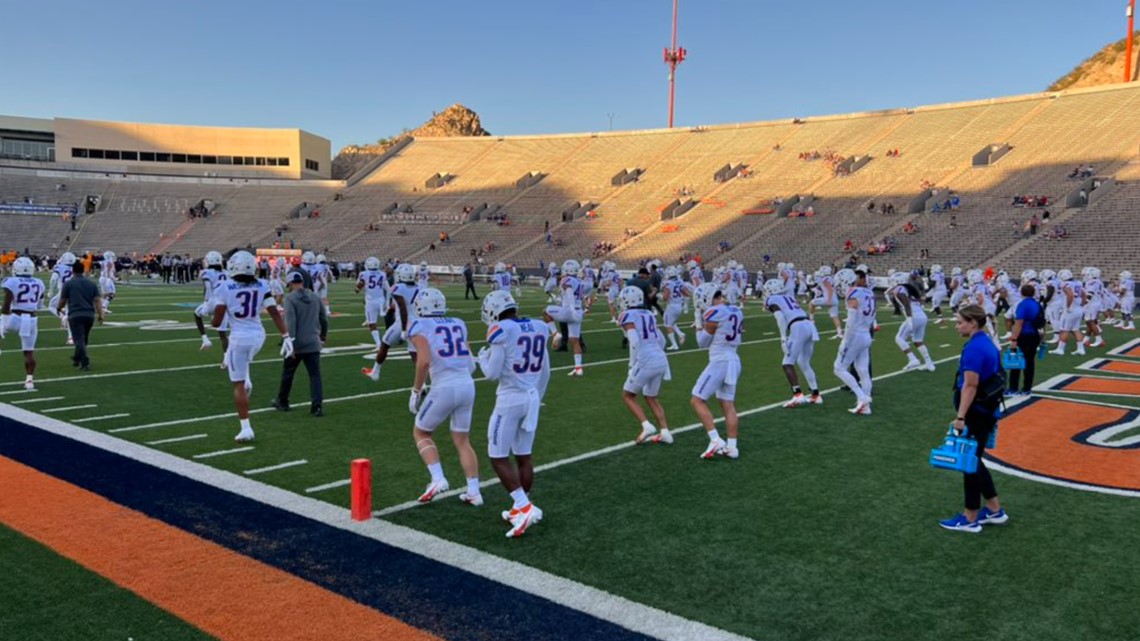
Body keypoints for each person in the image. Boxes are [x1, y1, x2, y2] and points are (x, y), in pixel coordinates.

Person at [477, 290, 550, 537]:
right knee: (523, 455)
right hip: (531, 397)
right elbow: (546, 371)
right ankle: (519, 509)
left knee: (497, 456)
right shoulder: (539, 326)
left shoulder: (502, 330)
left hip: (509, 398)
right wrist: (538, 396)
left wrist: (481, 359)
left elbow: (492, 373)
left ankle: (524, 506)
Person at [405, 288, 481, 506]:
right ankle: (474, 491)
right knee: (462, 440)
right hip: (467, 384)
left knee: (421, 432)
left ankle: (438, 478)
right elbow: (470, 362)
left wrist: (416, 390)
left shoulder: (419, 325)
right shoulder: (458, 322)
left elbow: (424, 361)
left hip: (444, 386)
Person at [940, 304, 1008, 533]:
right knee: (975, 460)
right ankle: (994, 508)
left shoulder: (976, 348)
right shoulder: (986, 342)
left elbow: (970, 385)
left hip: (977, 412)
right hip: (986, 410)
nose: (957, 326)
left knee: (969, 462)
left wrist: (960, 417)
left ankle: (970, 517)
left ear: (972, 323)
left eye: (960, 322)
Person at [212, 251, 291, 443]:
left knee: (237, 384)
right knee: (243, 361)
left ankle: (245, 427)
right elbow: (274, 312)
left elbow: (216, 322)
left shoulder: (224, 287)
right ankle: (246, 377)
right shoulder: (262, 285)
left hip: (239, 338)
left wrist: (210, 310)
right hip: (258, 336)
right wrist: (286, 335)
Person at [690, 283, 743, 459]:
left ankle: (715, 439)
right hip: (734, 359)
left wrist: (698, 321)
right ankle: (732, 447)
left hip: (720, 360)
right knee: (728, 404)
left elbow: (702, 342)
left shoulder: (713, 313)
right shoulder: (735, 310)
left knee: (697, 400)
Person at [617, 286, 674, 445]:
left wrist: (632, 364)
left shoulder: (627, 315)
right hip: (660, 358)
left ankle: (646, 425)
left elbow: (634, 342)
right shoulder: (649, 313)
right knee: (651, 397)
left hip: (645, 359)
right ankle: (665, 432)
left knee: (628, 396)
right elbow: (661, 340)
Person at [274, 271, 328, 416]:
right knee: (315, 375)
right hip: (313, 342)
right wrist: (323, 334)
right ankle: (317, 407)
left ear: (291, 283)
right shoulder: (315, 297)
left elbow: (291, 323)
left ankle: (283, 401)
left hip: (296, 343)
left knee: (288, 373)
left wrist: (290, 343)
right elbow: (323, 318)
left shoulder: (290, 299)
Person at [762, 279, 822, 408]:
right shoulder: (788, 297)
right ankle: (816, 395)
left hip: (797, 326)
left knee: (787, 363)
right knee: (804, 362)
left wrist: (783, 338)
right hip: (808, 325)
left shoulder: (772, 299)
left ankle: (797, 394)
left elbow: (780, 318)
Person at [363, 263, 419, 381]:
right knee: (414, 354)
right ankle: (422, 384)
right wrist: (392, 307)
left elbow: (403, 308)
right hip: (417, 324)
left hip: (403, 323)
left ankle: (375, 372)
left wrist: (403, 329)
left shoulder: (398, 287)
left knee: (384, 345)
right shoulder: (419, 287)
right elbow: (404, 304)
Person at [833, 269, 875, 415]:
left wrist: (846, 338)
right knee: (863, 371)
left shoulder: (853, 293)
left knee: (839, 368)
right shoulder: (868, 292)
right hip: (866, 334)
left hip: (855, 334)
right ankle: (866, 407)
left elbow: (851, 318)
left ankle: (862, 397)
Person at [1, 257, 46, 390]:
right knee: (29, 351)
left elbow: (6, 306)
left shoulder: (11, 281)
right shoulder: (39, 282)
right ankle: (29, 381)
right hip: (31, 319)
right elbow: (40, 305)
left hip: (15, 317)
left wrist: (4, 324)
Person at [57, 261, 103, 371]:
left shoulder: (68, 284)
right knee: (84, 339)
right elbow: (97, 300)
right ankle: (77, 357)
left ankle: (85, 361)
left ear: (73, 271)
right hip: (89, 315)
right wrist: (101, 314)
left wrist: (58, 308)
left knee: (79, 339)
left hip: (75, 314)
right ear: (84, 270)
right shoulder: (91, 284)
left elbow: (63, 300)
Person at [543, 259, 586, 376]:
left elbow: (569, 290)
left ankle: (556, 333)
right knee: (574, 341)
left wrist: (570, 308)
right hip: (578, 312)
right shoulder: (580, 281)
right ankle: (578, 368)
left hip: (569, 311)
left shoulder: (567, 279)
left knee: (545, 312)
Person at [888, 272, 936, 371]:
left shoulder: (899, 289)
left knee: (899, 338)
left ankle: (913, 359)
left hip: (914, 317)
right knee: (918, 341)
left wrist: (909, 320)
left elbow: (906, 304)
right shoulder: (909, 288)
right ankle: (929, 363)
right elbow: (919, 301)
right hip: (922, 316)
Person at [1008, 282, 1043, 396]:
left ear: (1021, 292)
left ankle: (1013, 388)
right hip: (1035, 335)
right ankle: (1027, 388)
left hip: (1024, 335)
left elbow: (1019, 323)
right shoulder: (1037, 304)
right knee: (1030, 363)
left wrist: (1014, 339)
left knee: (1017, 362)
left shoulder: (1023, 305)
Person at [194, 251, 230, 355]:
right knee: (222, 333)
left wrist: (206, 301)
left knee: (197, 315)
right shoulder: (227, 273)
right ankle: (226, 359)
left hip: (212, 300)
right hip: (224, 303)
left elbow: (208, 288)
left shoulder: (207, 272)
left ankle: (205, 339)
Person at [355, 257, 389, 351]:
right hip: (381, 300)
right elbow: (388, 289)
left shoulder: (363, 274)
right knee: (387, 319)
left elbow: (357, 288)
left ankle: (378, 344)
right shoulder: (382, 274)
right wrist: (388, 302)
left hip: (371, 301)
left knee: (372, 323)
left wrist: (358, 288)